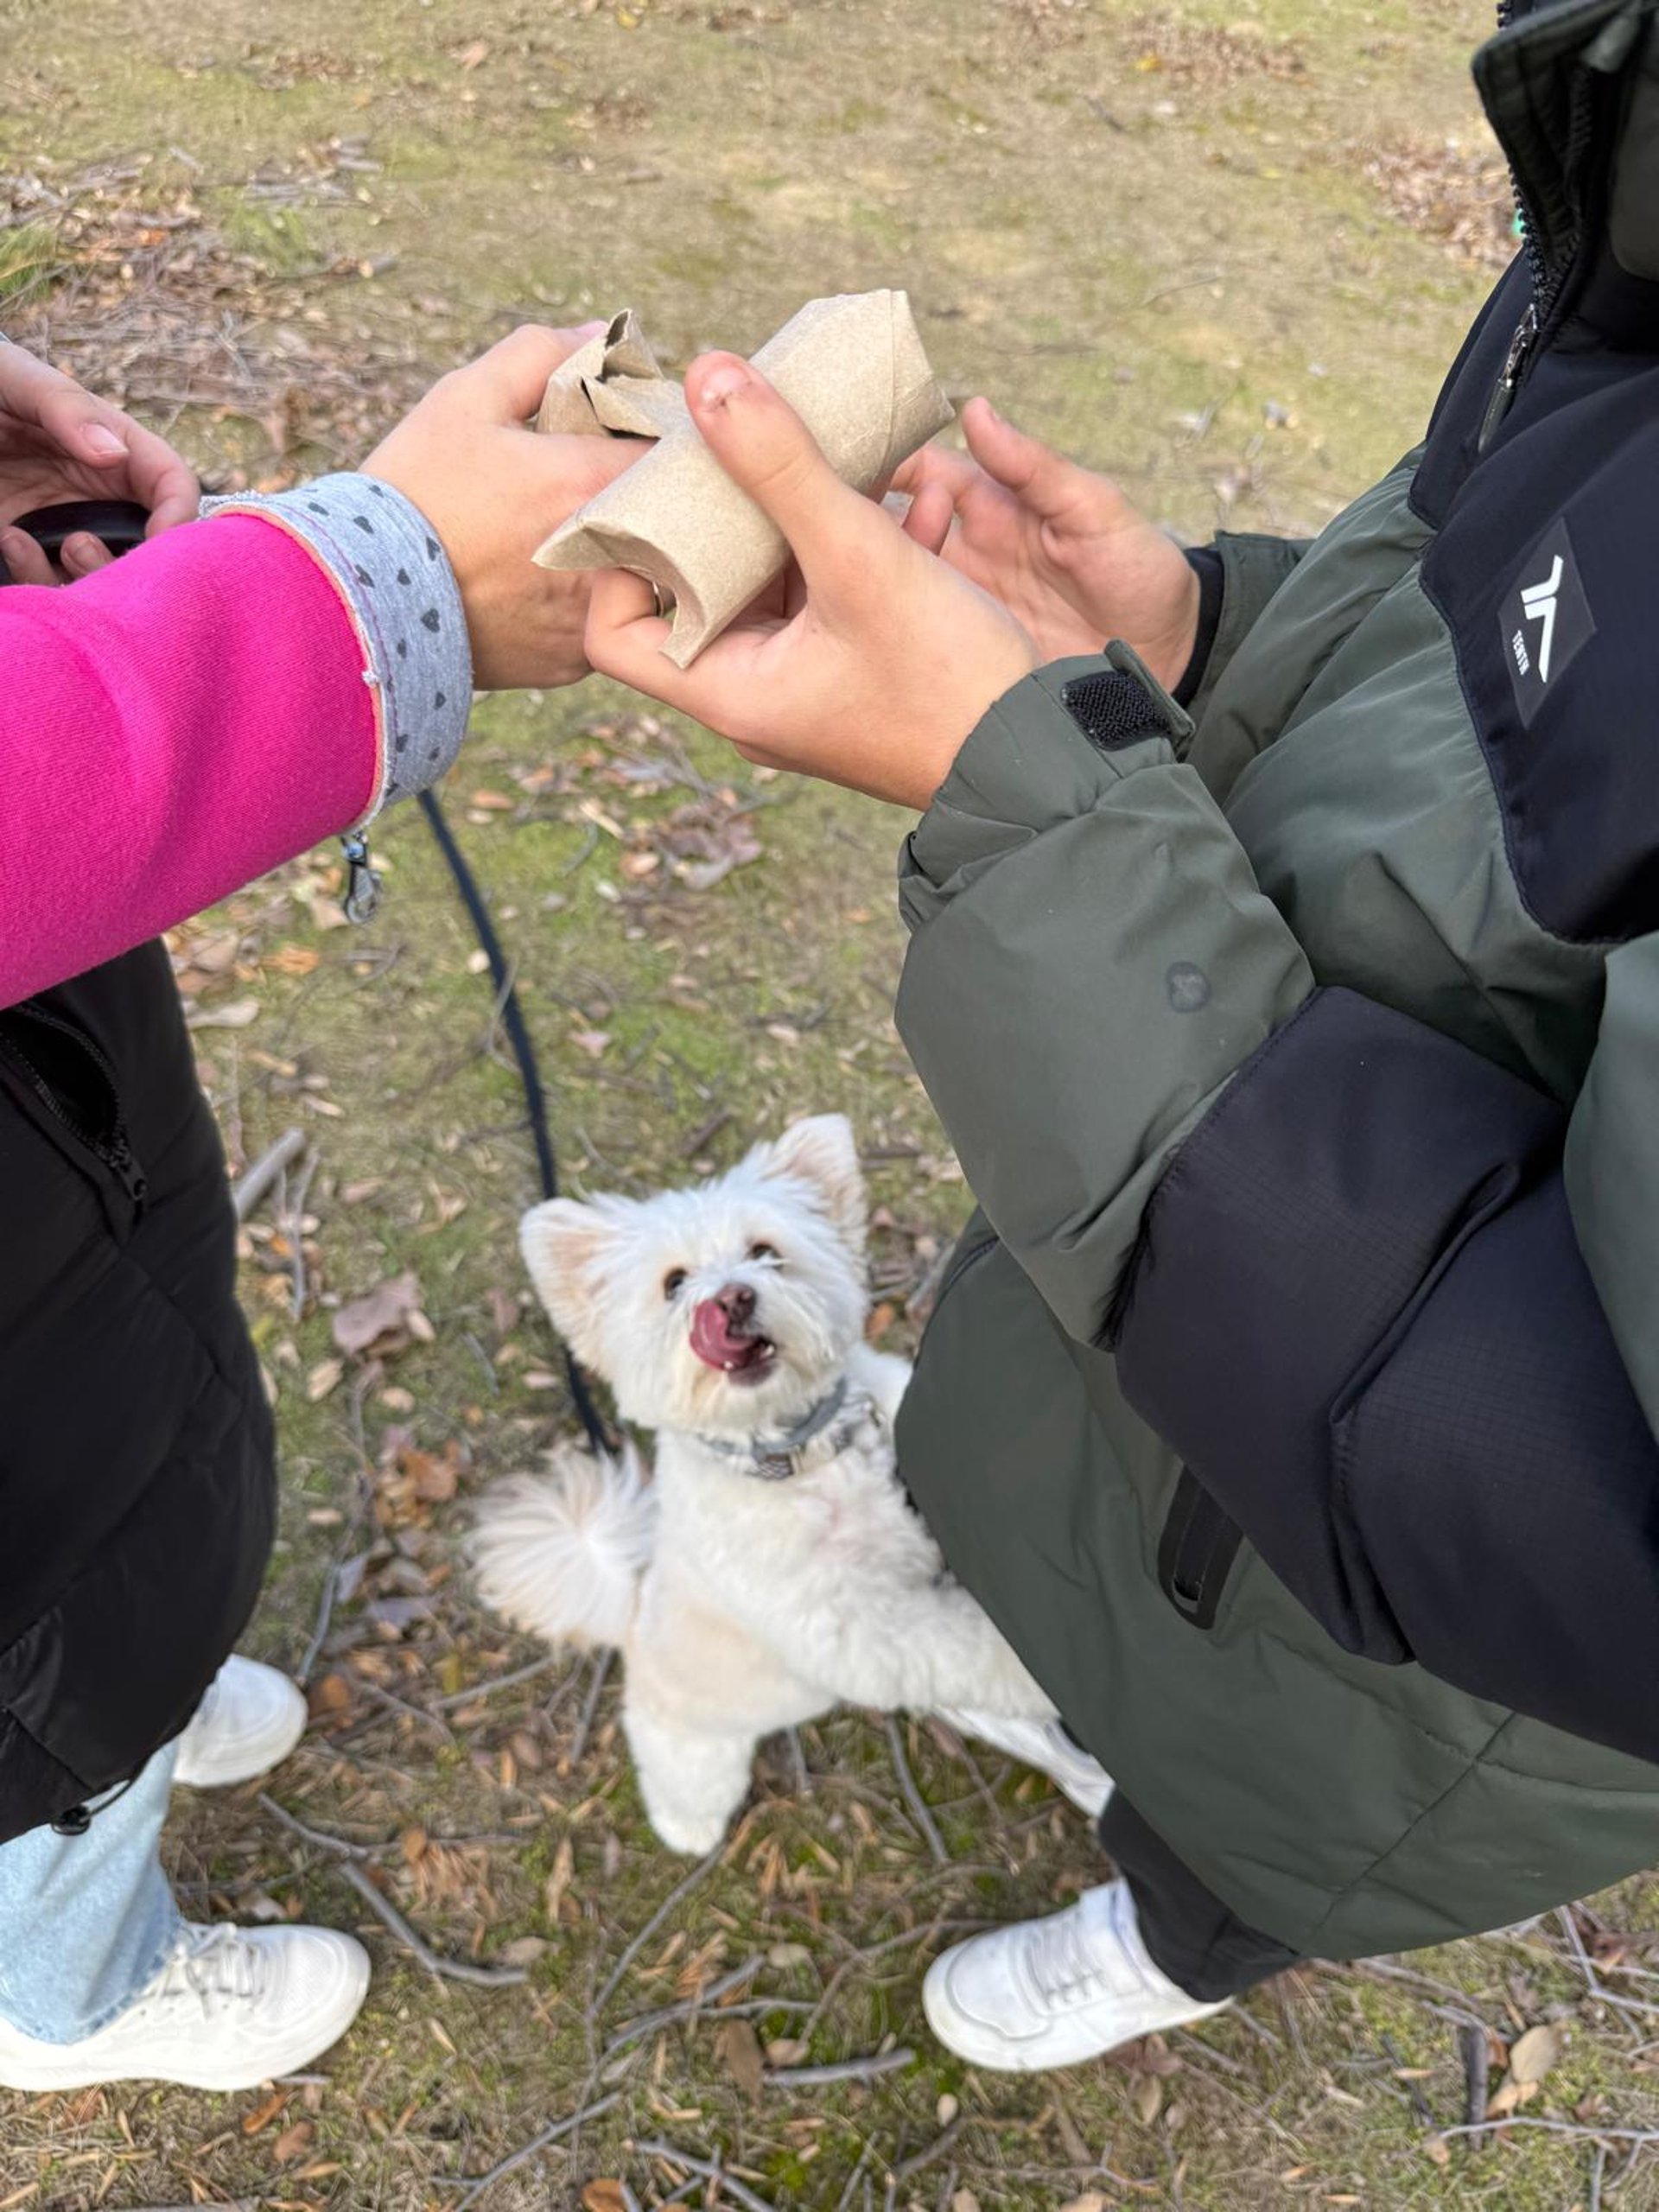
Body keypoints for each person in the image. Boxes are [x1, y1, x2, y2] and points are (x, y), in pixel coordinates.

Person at [587, 0, 1659, 2070]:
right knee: (1062, 1580)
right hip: (1125, 1387)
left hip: (1393, 1701)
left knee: (1238, 1835)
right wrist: (1203, 646)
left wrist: (1037, 812)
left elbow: (1589, 1508)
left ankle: (1163, 1941)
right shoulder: (1622, 143)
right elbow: (1501, 703)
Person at [0, 325, 640, 2090]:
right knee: (37, 1670)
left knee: (129, 1470)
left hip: (59, 1145)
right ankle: (67, 1984)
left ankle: (126, 1688)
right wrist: (363, 604)